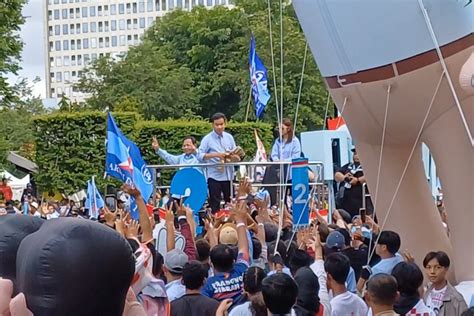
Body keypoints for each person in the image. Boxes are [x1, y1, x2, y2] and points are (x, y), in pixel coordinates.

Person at [201, 200, 250, 304]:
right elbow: (244, 249)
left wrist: (211, 230)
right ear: (233, 261)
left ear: (211, 263)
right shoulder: (241, 270)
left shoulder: (208, 285)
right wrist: (240, 220)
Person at [197, 112, 237, 213]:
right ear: (213, 125)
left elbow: (234, 151)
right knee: (215, 203)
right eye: (217, 124)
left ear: (225, 123)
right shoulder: (207, 139)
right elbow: (199, 156)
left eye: (221, 124)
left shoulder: (229, 137)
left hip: (229, 175)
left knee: (231, 201)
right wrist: (216, 155)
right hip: (214, 175)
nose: (219, 127)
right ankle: (215, 224)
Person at [422, 251, 468, 316]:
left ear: (446, 269)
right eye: (428, 267)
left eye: (437, 267)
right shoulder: (426, 294)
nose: (432, 271)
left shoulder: (456, 299)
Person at [334, 147, 373, 218]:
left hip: (362, 202)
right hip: (346, 203)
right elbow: (337, 175)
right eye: (354, 154)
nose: (355, 156)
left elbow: (371, 176)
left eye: (358, 154)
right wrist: (344, 177)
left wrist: (357, 180)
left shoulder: (368, 166)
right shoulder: (349, 166)